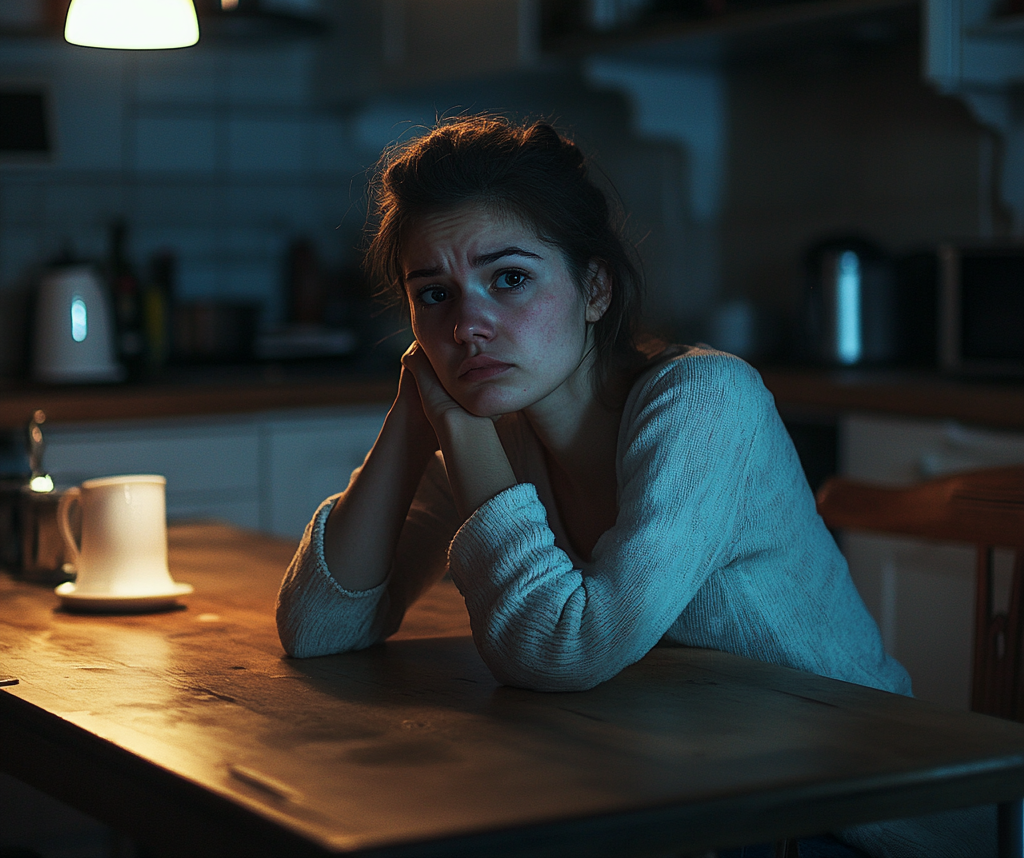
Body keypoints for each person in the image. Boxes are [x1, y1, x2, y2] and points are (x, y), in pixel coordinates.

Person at [276, 116, 987, 858]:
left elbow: (563, 649)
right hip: (681, 798)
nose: (468, 326)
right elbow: (321, 630)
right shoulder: (502, 430)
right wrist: (412, 411)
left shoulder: (706, 402)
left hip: (848, 822)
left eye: (509, 278)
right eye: (434, 295)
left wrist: (456, 426)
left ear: (596, 290)